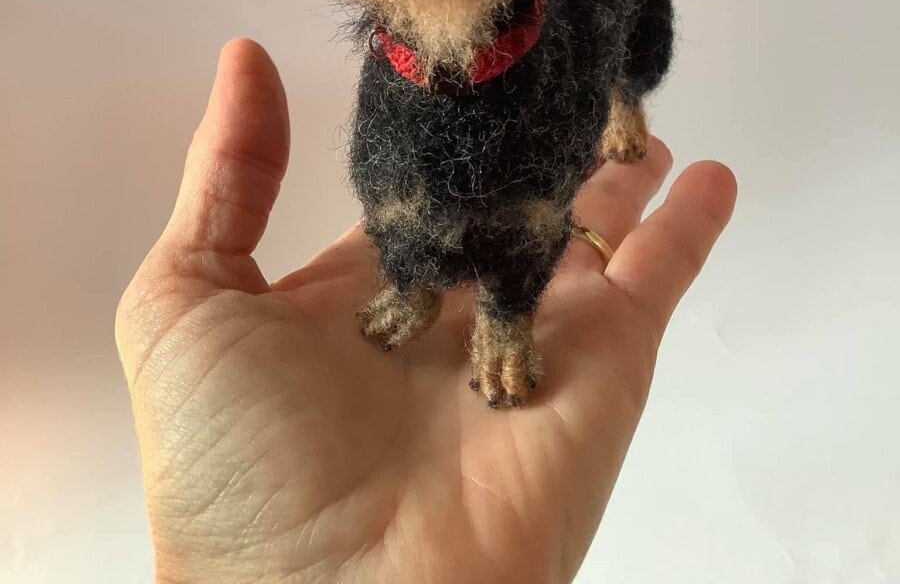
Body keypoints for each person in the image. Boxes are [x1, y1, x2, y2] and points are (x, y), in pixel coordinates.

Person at [116, 39, 736, 584]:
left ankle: (504, 322)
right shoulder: (386, 102)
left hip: (542, 90)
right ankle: (413, 288)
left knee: (532, 214)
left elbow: (535, 226)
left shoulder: (554, 61)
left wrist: (619, 98)